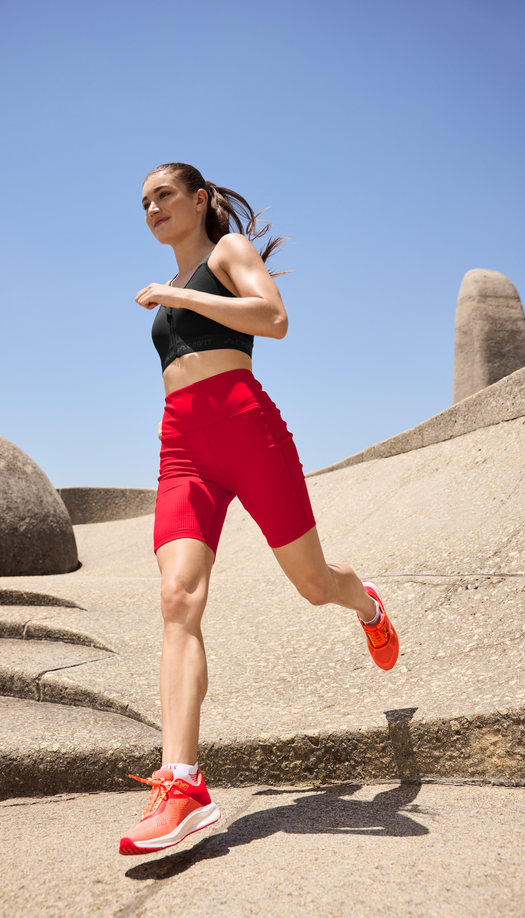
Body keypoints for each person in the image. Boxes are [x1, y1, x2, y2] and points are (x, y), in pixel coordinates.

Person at [119, 163, 400, 857]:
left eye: (164, 195)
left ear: (200, 200)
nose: (152, 207)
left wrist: (177, 295)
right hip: (181, 443)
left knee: (313, 586)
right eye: (143, 201)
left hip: (248, 428)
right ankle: (181, 783)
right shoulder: (169, 292)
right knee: (177, 596)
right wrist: (169, 301)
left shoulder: (227, 253)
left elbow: (273, 320)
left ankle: (363, 600)